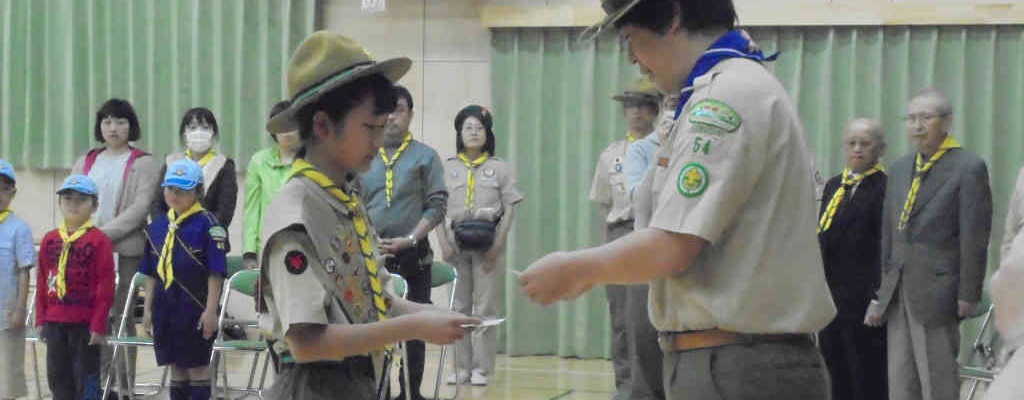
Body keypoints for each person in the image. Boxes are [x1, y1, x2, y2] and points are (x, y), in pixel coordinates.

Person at [519, 1, 837, 398]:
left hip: (738, 366)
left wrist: (576, 269)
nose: (633, 59)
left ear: (671, 17)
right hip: (730, 358)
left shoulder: (727, 97)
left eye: (631, 39)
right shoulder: (727, 88)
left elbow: (675, 243)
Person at [258, 31, 477, 400]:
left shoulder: (344, 199)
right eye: (369, 128)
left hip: (358, 380)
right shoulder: (296, 214)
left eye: (383, 127)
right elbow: (307, 343)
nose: (378, 142)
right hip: (316, 387)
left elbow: (377, 300)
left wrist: (428, 315)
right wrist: (413, 326)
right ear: (324, 125)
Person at [864, 89, 992, 400]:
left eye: (926, 118)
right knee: (901, 380)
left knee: (937, 379)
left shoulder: (968, 166)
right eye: (911, 119)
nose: (917, 125)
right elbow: (888, 236)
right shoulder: (898, 169)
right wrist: (881, 293)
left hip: (939, 290)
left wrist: (968, 294)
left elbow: (975, 237)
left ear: (946, 122)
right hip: (898, 290)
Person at [359, 85, 448, 400]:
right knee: (375, 330)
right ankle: (377, 392)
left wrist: (410, 239)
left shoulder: (425, 156)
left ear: (410, 114)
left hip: (414, 256)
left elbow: (437, 205)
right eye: (385, 110)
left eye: (398, 109)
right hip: (371, 257)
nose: (391, 117)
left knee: (414, 328)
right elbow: (352, 202)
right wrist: (369, 239)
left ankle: (410, 394)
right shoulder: (364, 156)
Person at [71, 98, 160, 388]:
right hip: (86, 250)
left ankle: (123, 386)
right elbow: (70, 199)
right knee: (90, 317)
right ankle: (96, 385)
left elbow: (140, 207)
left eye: (121, 122)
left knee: (120, 317)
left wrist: (102, 235)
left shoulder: (144, 162)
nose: (113, 127)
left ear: (130, 126)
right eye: (107, 121)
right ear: (99, 126)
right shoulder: (87, 160)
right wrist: (84, 235)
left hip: (124, 250)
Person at [437, 105, 524, 386]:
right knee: (458, 307)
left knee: (486, 308)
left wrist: (499, 244)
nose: (474, 133)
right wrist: (442, 244)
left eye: (479, 128)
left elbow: (510, 208)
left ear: (487, 133)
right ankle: (460, 366)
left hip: (488, 246)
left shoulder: (499, 167)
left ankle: (481, 369)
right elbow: (436, 208)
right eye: (468, 128)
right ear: (459, 134)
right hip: (456, 245)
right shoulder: (448, 167)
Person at [590, 75, 661, 400]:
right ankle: (625, 388)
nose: (636, 113)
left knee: (645, 323)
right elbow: (604, 207)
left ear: (655, 110)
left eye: (644, 106)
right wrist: (602, 255)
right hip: (619, 234)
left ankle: (649, 390)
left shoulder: (664, 150)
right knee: (619, 320)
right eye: (630, 106)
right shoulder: (611, 155)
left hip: (651, 235)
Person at [139, 159, 227, 400]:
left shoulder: (209, 226)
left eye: (183, 190)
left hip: (195, 307)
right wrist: (147, 309)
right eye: (170, 189)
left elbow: (215, 273)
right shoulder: (157, 227)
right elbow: (152, 273)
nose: (174, 195)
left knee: (197, 366)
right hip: (165, 307)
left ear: (198, 191)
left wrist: (210, 311)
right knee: (175, 366)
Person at [817, 119, 888, 400]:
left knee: (865, 373)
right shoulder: (835, 185)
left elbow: (886, 247)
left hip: (863, 298)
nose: (857, 149)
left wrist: (877, 296)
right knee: (834, 368)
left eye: (865, 143)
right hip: (832, 295)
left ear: (879, 149)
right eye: (852, 143)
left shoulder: (884, 187)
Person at [36, 175, 116, 400]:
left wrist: (98, 324)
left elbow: (105, 286)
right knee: (57, 377)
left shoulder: (100, 241)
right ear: (60, 203)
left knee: (86, 378)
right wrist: (41, 319)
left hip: (84, 324)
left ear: (95, 205)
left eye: (81, 200)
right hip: (54, 321)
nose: (73, 204)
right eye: (68, 198)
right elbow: (42, 280)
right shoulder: (50, 239)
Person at [151, 108, 239, 252]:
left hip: (210, 244)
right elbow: (156, 203)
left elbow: (225, 210)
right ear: (184, 134)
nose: (199, 132)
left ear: (213, 133)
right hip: (171, 240)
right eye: (192, 127)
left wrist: (198, 232)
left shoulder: (223, 164)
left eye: (205, 127)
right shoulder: (171, 162)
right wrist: (167, 228)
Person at [243, 101, 301, 269]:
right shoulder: (259, 161)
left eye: (292, 125)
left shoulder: (313, 160)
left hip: (306, 244)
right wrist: (249, 252)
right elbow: (252, 209)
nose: (287, 132)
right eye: (281, 126)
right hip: (269, 246)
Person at [0, 160, 33, 400]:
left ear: (13, 193)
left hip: (7, 313)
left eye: (3, 188)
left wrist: (21, 309)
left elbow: (24, 271)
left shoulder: (19, 228)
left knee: (8, 373)